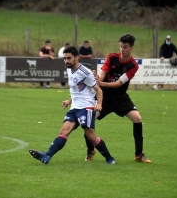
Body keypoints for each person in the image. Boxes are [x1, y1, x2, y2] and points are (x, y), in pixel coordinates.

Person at [29, 46, 115, 165]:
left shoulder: (85, 73)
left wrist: (99, 104)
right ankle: (47, 155)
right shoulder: (69, 69)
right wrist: (69, 101)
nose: (66, 61)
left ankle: (110, 159)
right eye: (64, 58)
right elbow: (77, 89)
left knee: (91, 135)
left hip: (86, 107)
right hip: (74, 107)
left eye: (69, 58)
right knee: (63, 131)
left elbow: (99, 90)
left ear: (76, 57)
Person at [84, 33, 151, 163]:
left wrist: (101, 83)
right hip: (104, 97)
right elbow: (103, 73)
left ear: (131, 48)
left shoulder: (133, 65)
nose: (122, 50)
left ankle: (139, 155)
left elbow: (119, 83)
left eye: (125, 47)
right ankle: (90, 150)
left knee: (137, 119)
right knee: (89, 120)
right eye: (121, 46)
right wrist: (99, 79)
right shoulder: (111, 57)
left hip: (121, 98)